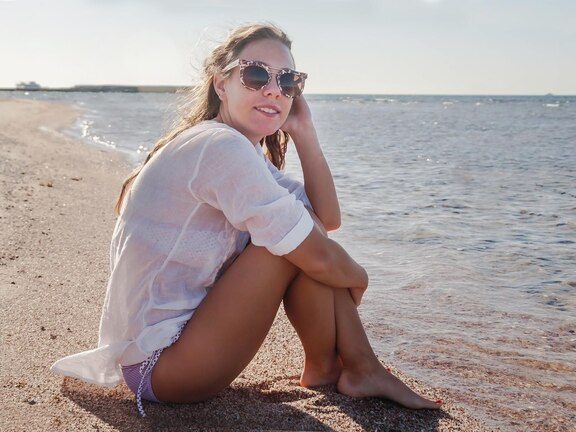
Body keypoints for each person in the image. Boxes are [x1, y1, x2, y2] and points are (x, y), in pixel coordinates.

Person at [51, 22, 442, 416]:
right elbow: (317, 251)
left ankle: (330, 368)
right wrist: (360, 277)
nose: (273, 89)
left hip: (177, 353)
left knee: (298, 231)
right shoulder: (219, 147)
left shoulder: (237, 149)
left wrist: (305, 134)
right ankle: (363, 367)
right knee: (290, 244)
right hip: (166, 367)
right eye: (255, 74)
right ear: (222, 85)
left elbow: (326, 218)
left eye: (288, 81)